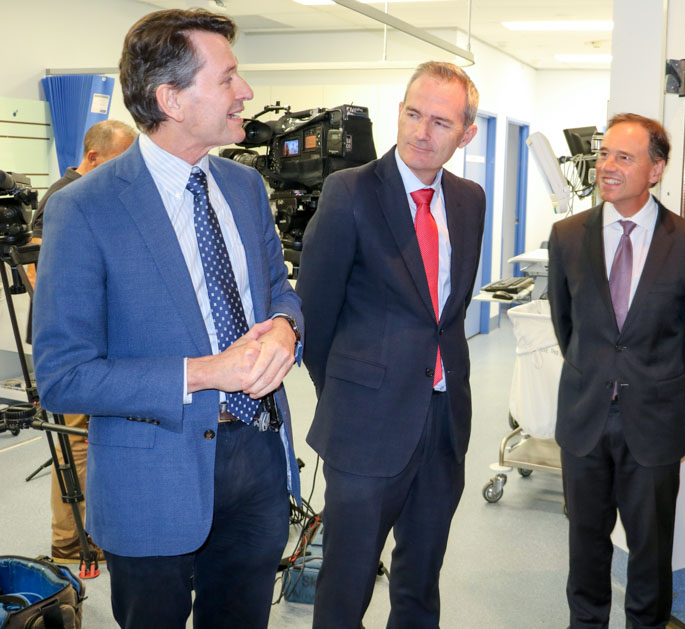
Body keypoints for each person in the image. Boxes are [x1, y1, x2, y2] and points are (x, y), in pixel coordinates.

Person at [32, 9, 303, 629]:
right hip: (150, 476)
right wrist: (209, 372)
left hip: (258, 460)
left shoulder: (245, 187)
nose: (247, 92)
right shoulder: (85, 209)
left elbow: (278, 293)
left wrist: (286, 328)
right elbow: (64, 378)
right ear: (171, 98)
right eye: (229, 77)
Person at [297, 61, 485, 628]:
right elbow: (315, 316)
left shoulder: (469, 200)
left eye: (440, 122)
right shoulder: (350, 192)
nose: (421, 132)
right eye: (412, 114)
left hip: (444, 419)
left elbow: (444, 316)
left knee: (421, 577)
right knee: (347, 581)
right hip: (365, 426)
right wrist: (352, 395)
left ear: (466, 134)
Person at [547, 113, 685, 629]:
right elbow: (565, 323)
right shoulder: (567, 236)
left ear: (656, 169)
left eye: (625, 157)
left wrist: (647, 376)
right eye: (604, 155)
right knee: (585, 543)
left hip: (653, 419)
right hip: (584, 418)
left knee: (650, 549)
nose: (608, 167)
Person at [28, 119, 137, 564]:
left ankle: (89, 533)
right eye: (118, 162)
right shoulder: (63, 197)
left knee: (88, 440)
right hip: (72, 348)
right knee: (73, 441)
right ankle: (70, 544)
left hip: (94, 345)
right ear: (93, 157)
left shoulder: (91, 197)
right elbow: (36, 271)